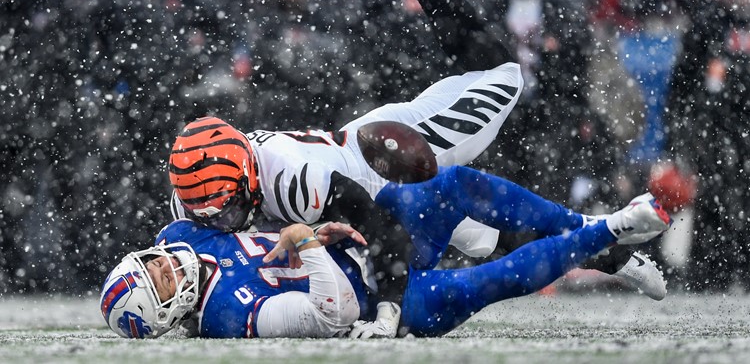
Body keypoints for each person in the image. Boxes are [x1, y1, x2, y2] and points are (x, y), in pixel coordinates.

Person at [166, 0, 667, 303]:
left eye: (229, 209)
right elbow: (185, 241)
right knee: (486, 240)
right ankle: (611, 251)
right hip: (369, 180)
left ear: (249, 177)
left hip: (382, 155)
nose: (223, 220)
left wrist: (386, 307)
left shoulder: (296, 180)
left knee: (501, 73)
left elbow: (381, 230)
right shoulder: (201, 188)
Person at [100, 191, 671, 339]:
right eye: (161, 281)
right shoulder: (229, 314)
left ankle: (613, 251)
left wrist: (314, 234)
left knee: (455, 188)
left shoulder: (179, 236)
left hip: (367, 248)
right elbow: (333, 313)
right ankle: (610, 230)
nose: (165, 265)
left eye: (151, 263)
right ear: (168, 313)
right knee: (498, 278)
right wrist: (307, 243)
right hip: (387, 307)